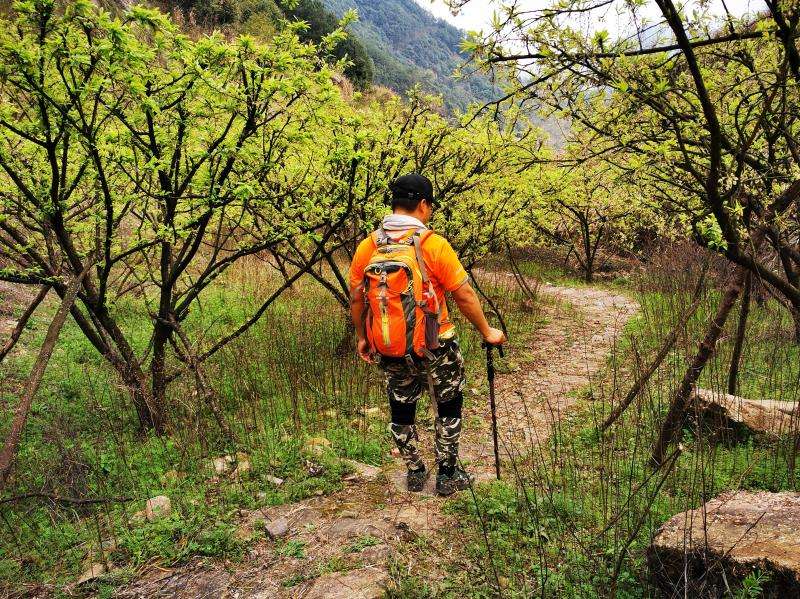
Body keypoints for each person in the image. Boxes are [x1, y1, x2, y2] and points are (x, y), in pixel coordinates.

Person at [348, 173, 506, 495]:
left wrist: (362, 336)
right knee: (448, 405)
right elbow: (463, 295)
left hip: (391, 346)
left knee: (401, 407)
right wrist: (487, 331)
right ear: (423, 204)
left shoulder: (369, 246)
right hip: (437, 344)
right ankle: (447, 475)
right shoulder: (433, 244)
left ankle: (415, 471)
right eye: (430, 206)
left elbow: (356, 296)